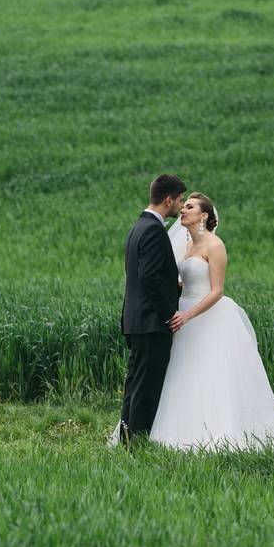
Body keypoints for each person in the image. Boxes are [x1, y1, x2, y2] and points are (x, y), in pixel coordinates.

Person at [149, 192, 274, 450]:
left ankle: (220, 430)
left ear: (204, 215)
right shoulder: (187, 245)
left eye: (189, 207)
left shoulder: (215, 246)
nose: (183, 210)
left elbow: (217, 291)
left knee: (210, 371)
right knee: (182, 369)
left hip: (207, 315)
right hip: (183, 312)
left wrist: (189, 314)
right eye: (184, 206)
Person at [115, 174, 186, 447]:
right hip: (152, 323)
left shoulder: (138, 227)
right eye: (179, 200)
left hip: (135, 320)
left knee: (134, 386)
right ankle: (138, 443)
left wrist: (174, 285)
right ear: (168, 200)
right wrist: (169, 313)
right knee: (146, 389)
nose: (180, 206)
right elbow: (150, 278)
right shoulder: (155, 231)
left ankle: (126, 439)